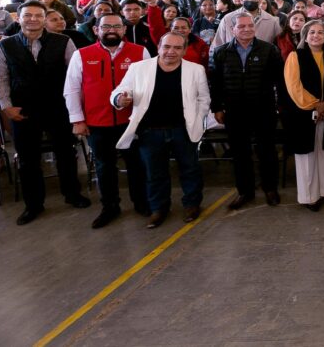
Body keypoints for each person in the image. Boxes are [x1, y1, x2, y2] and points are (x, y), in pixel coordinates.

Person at [0, 0, 88, 225]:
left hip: (58, 107)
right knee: (27, 160)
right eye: (28, 15)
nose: (33, 19)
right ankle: (33, 205)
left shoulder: (63, 41)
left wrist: (75, 107)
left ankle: (72, 194)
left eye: (38, 15)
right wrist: (7, 106)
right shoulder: (6, 46)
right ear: (19, 18)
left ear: (45, 18)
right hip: (22, 110)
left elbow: (76, 76)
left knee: (66, 153)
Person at [111, 32, 210, 228]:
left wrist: (198, 119)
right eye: (167, 47)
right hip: (150, 131)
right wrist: (120, 100)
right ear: (159, 47)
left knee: (190, 170)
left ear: (184, 50)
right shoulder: (138, 68)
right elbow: (119, 91)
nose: (171, 52)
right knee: (155, 173)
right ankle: (158, 209)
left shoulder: (196, 70)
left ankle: (191, 204)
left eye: (177, 48)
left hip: (183, 129)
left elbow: (203, 99)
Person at [63, 13, 151, 228]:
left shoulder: (140, 52)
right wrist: (77, 119)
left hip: (131, 121)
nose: (111, 30)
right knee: (104, 166)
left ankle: (140, 202)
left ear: (123, 29)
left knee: (136, 164)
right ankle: (110, 206)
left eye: (116, 26)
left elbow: (150, 85)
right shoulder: (81, 55)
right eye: (106, 26)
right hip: (97, 122)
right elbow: (72, 89)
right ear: (96, 30)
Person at [208, 14, 285, 209]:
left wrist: (279, 106)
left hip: (263, 109)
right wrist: (216, 107)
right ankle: (245, 191)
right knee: (240, 153)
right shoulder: (220, 53)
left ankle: (270, 189)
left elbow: (280, 82)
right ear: (233, 29)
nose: (247, 29)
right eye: (241, 26)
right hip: (234, 111)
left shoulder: (269, 50)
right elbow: (214, 83)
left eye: (250, 26)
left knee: (266, 151)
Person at [283, 20, 324, 211]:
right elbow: (294, 87)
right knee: (307, 156)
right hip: (304, 113)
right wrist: (315, 105)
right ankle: (310, 197)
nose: (316, 35)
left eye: (320, 32)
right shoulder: (295, 56)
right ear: (305, 36)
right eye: (312, 32)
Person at [211, 0, 281, 48]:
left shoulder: (272, 20)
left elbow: (279, 45)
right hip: (232, 60)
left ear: (259, 1)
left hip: (263, 60)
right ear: (242, 0)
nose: (250, 1)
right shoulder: (228, 18)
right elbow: (217, 44)